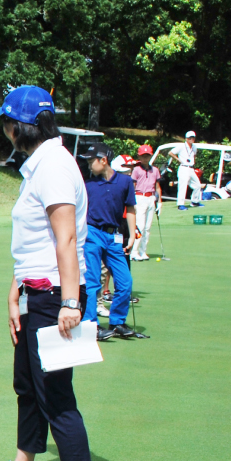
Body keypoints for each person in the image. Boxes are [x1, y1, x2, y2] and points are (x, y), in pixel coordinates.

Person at [0, 85, 98, 461]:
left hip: (53, 299)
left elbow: (65, 238)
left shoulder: (56, 168)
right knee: (27, 386)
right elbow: (35, 242)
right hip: (34, 292)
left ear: (21, 126)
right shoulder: (38, 166)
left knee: (57, 398)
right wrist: (15, 291)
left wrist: (68, 302)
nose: (3, 130)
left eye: (6, 123)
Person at [82, 145, 135, 341]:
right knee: (93, 281)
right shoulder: (88, 185)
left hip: (114, 236)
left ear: (103, 160)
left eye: (91, 161)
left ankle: (117, 322)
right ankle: (91, 325)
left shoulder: (125, 182)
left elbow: (130, 209)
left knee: (125, 282)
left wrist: (131, 237)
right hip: (92, 233)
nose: (89, 165)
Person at [129, 145, 162, 261]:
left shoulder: (155, 170)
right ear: (139, 156)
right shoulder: (136, 170)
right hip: (139, 197)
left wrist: (160, 202)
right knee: (140, 227)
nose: (145, 158)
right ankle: (134, 251)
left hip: (151, 198)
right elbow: (132, 187)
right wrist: (132, 201)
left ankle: (143, 251)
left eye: (147, 156)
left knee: (147, 228)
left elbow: (157, 187)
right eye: (143, 156)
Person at [171, 130, 202, 209]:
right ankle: (180, 204)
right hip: (183, 167)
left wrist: (193, 163)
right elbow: (171, 152)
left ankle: (195, 201)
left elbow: (194, 155)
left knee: (197, 185)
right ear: (186, 139)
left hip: (191, 168)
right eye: (190, 138)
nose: (192, 139)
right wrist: (179, 160)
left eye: (193, 138)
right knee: (183, 186)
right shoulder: (182, 146)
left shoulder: (194, 147)